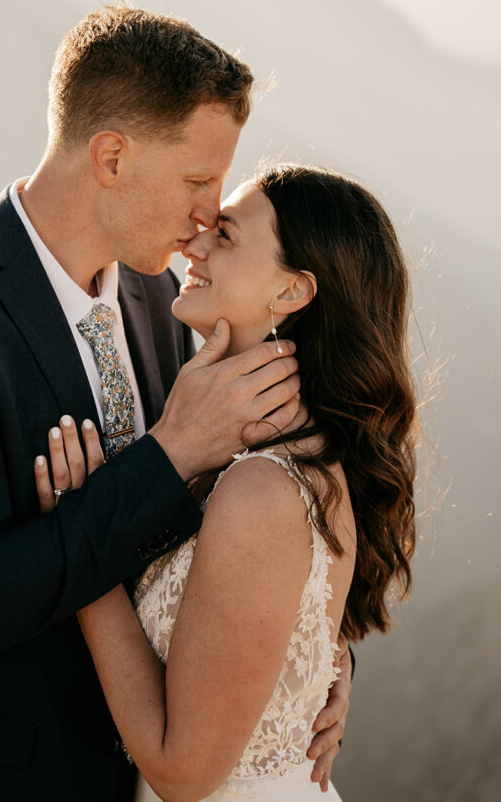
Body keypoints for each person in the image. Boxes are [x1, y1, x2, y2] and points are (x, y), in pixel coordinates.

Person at [0, 8, 350, 802]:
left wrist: (314, 660)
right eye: (196, 180)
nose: (210, 213)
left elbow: (248, 527)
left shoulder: (161, 294)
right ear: (111, 156)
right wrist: (169, 455)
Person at [35, 163, 416, 802]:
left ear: (292, 292)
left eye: (227, 235)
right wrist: (328, 661)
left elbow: (183, 773)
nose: (194, 243)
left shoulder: (263, 488)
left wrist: (82, 535)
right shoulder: (257, 445)